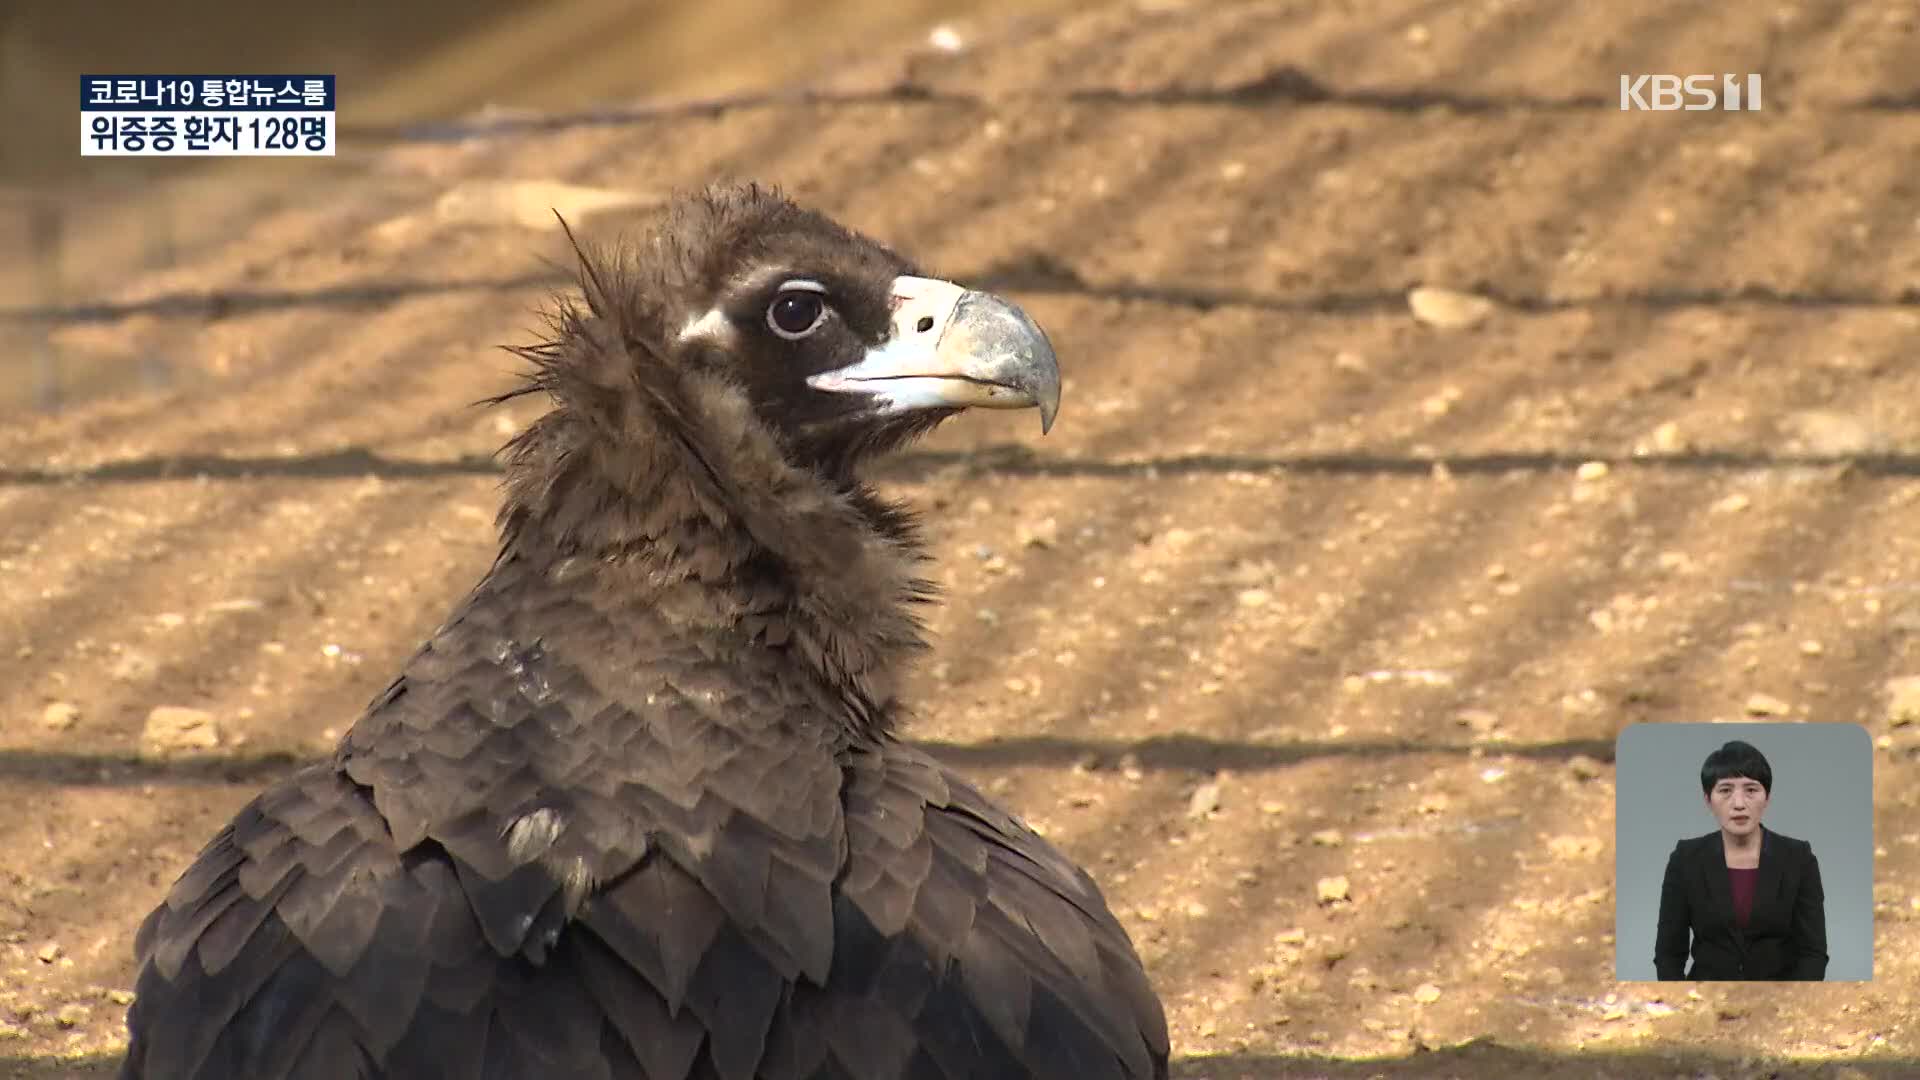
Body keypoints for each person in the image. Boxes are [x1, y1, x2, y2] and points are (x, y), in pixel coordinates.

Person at [1653, 739, 1828, 980]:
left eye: (1751, 790)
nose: (1738, 804)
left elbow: (1813, 952)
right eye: (1725, 790)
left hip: (1779, 1000)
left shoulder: (1798, 858)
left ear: (1767, 797)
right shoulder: (1685, 859)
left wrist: (1795, 1003)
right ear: (1708, 800)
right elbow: (1668, 954)